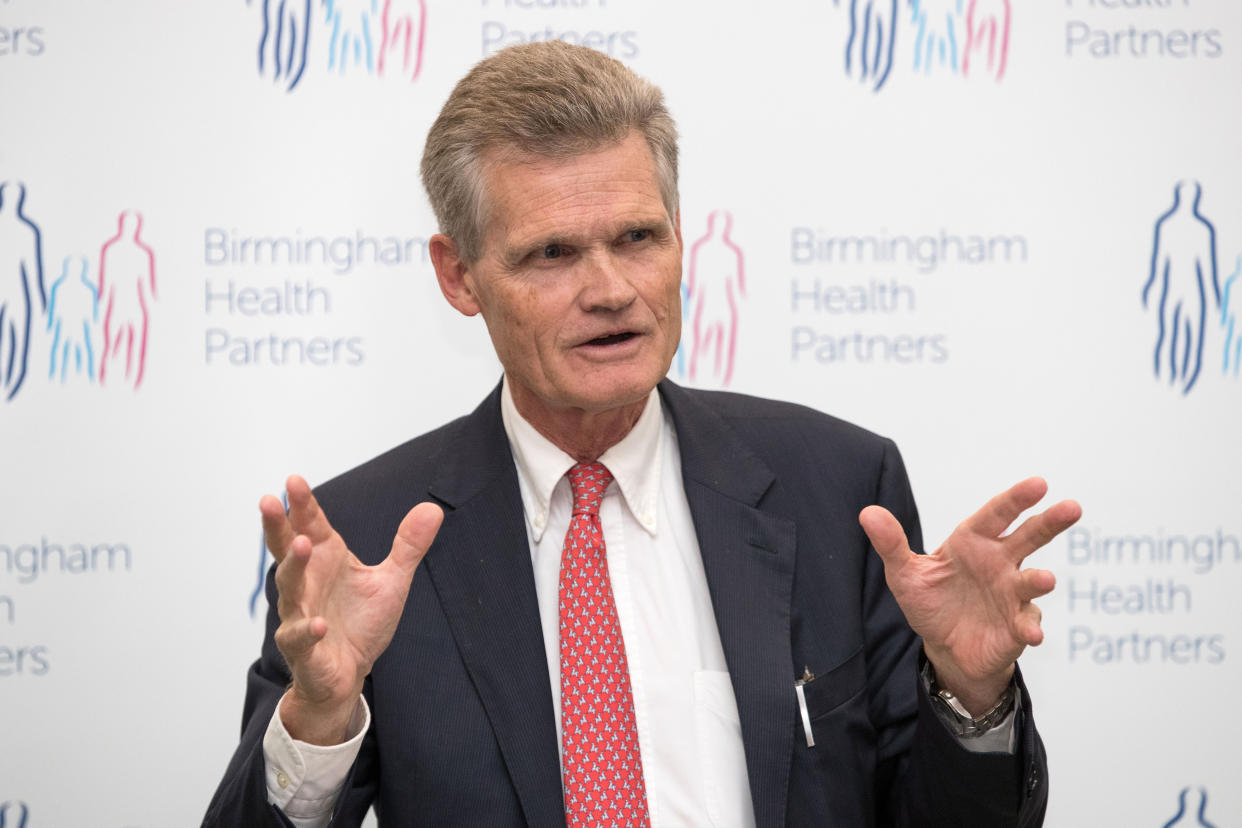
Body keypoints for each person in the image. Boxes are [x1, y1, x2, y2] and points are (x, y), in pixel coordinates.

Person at [203, 41, 1080, 828]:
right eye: (552, 254)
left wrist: (970, 694)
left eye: (637, 238)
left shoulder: (838, 487)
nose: (612, 288)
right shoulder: (368, 535)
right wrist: (320, 722)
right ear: (459, 275)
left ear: (681, 239)